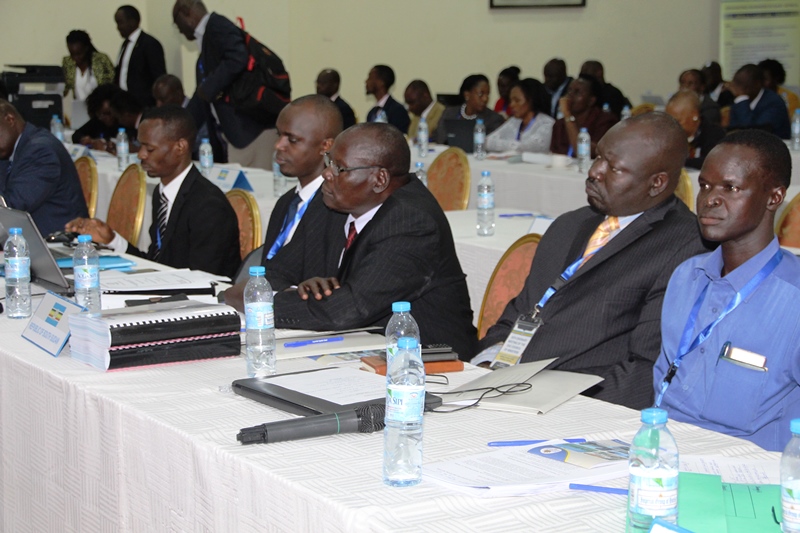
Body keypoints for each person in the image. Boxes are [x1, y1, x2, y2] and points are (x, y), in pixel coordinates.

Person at [475, 113, 709, 409]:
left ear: (656, 183)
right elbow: (520, 312)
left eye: (614, 168)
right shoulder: (569, 224)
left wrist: (557, 404)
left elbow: (645, 368)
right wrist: (486, 366)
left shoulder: (685, 248)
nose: (595, 171)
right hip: (501, 390)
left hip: (574, 407)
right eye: (598, 157)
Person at [256, 123, 478, 359]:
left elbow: (347, 310)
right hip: (358, 347)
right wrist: (299, 290)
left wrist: (259, 306)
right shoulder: (333, 202)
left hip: (429, 364)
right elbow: (276, 271)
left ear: (379, 179)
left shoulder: (411, 222)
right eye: (328, 162)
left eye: (339, 168)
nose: (326, 174)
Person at [653, 130, 800, 452]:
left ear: (774, 197)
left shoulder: (793, 298)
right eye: (705, 185)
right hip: (662, 445)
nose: (710, 199)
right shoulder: (686, 277)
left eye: (730, 188)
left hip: (749, 469)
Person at [65, 105, 241, 278]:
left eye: (149, 149)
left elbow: (201, 280)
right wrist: (111, 240)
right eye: (140, 146)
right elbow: (157, 263)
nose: (141, 154)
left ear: (180, 147)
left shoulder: (209, 206)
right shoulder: (162, 193)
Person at [223, 95, 343, 301]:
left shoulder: (335, 206)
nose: (278, 145)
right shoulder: (286, 203)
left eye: (292, 139)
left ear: (325, 146)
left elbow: (318, 282)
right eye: (279, 135)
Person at [173, 0, 278, 170]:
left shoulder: (216, 25)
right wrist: (177, 127)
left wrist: (208, 88)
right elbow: (201, 98)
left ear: (187, 13)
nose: (179, 30)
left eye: (178, 23)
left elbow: (238, 57)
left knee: (253, 194)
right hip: (239, 135)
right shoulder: (206, 50)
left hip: (252, 132)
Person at [0, 100, 88, 236]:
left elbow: (10, 208)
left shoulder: (41, 150)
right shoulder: (12, 149)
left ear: (10, 119)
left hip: (60, 245)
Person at [549, 74, 618, 159]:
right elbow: (553, 155)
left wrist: (567, 115)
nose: (570, 95)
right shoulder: (559, 124)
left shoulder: (605, 121)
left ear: (591, 100)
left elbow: (584, 153)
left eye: (577, 92)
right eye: (569, 90)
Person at [113, 5, 166, 108]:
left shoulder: (149, 44)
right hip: (125, 106)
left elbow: (159, 76)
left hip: (144, 106)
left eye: (120, 22)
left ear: (132, 22)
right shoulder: (125, 45)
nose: (118, 27)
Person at [486, 78, 554, 153]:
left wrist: (506, 145)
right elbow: (487, 141)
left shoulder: (547, 123)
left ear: (531, 100)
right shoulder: (514, 121)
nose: (511, 105)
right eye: (510, 100)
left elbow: (526, 148)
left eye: (517, 100)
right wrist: (513, 146)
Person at [436, 74, 504, 145]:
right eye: (481, 94)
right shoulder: (449, 113)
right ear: (467, 95)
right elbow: (440, 139)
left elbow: (488, 144)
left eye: (487, 94)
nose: (485, 99)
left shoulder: (494, 119)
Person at [665, 89, 725, 170]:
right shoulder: (667, 134)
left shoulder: (714, 133)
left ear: (695, 115)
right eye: (669, 120)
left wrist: (677, 162)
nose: (672, 125)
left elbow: (711, 162)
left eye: (678, 121)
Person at [728, 64, 791, 139]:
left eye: (743, 84)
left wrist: (742, 97)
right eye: (736, 83)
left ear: (757, 84)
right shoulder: (738, 101)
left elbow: (754, 133)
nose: (737, 88)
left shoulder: (774, 102)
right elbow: (733, 129)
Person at [62, 30, 115, 102]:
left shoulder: (102, 60)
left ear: (86, 48)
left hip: (99, 108)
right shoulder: (67, 63)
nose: (75, 58)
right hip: (77, 109)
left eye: (79, 54)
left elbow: (113, 84)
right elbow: (66, 89)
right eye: (72, 54)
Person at [72, 83, 122, 150]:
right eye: (100, 114)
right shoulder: (99, 121)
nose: (104, 117)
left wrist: (104, 143)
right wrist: (84, 139)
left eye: (108, 113)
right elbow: (76, 135)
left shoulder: (125, 122)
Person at [365, 65, 410, 133]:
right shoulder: (371, 113)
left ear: (381, 82)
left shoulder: (398, 110)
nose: (366, 81)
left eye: (370, 77)